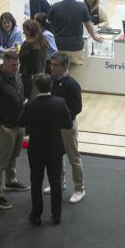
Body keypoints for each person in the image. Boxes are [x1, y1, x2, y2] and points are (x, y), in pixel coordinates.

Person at [19, 73, 73, 227]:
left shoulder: (30, 105)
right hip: (55, 148)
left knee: (36, 182)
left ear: (37, 87)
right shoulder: (60, 102)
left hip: (36, 149)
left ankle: (36, 214)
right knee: (55, 181)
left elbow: (21, 123)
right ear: (51, 86)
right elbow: (68, 124)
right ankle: (56, 215)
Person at [0, 50, 27, 210]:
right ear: (4, 64)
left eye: (17, 64)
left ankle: (11, 181)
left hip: (18, 124)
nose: (16, 67)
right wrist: (1, 128)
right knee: (1, 161)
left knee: (13, 155)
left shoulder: (16, 76)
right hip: (4, 127)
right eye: (13, 65)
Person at [48, 53, 86, 204]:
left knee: (73, 158)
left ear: (64, 66)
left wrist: (63, 118)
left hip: (68, 126)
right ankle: (59, 183)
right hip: (54, 126)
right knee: (56, 156)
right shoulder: (51, 81)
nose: (52, 68)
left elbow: (77, 107)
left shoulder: (72, 84)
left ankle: (79, 189)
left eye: (55, 65)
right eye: (51, 65)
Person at [47, 0, 103, 69]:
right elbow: (88, 24)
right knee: (77, 72)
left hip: (60, 45)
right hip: (76, 47)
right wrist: (94, 36)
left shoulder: (55, 6)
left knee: (60, 71)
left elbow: (48, 23)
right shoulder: (82, 6)